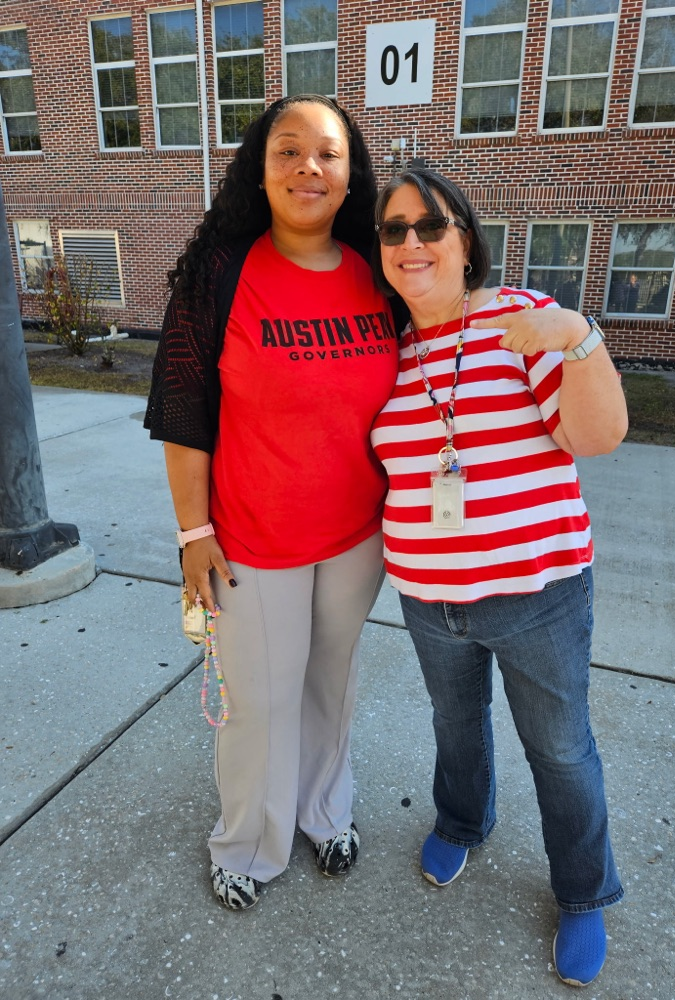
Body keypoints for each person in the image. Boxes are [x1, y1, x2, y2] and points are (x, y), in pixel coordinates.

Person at [369, 169, 628, 987]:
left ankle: (583, 893)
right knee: (456, 724)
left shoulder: (524, 321)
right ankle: (462, 820)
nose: (412, 243)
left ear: (465, 238)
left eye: (430, 226)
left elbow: (600, 434)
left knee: (559, 751)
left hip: (537, 594)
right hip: (425, 595)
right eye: (394, 230)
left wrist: (576, 337)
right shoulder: (389, 350)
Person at [144, 95, 398, 911]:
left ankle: (327, 813)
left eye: (327, 153)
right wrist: (193, 532)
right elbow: (183, 413)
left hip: (357, 538)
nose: (307, 168)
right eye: (288, 150)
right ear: (261, 166)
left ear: (350, 171)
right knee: (259, 702)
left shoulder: (378, 267)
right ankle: (249, 844)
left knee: (332, 684)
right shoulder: (223, 271)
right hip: (252, 540)